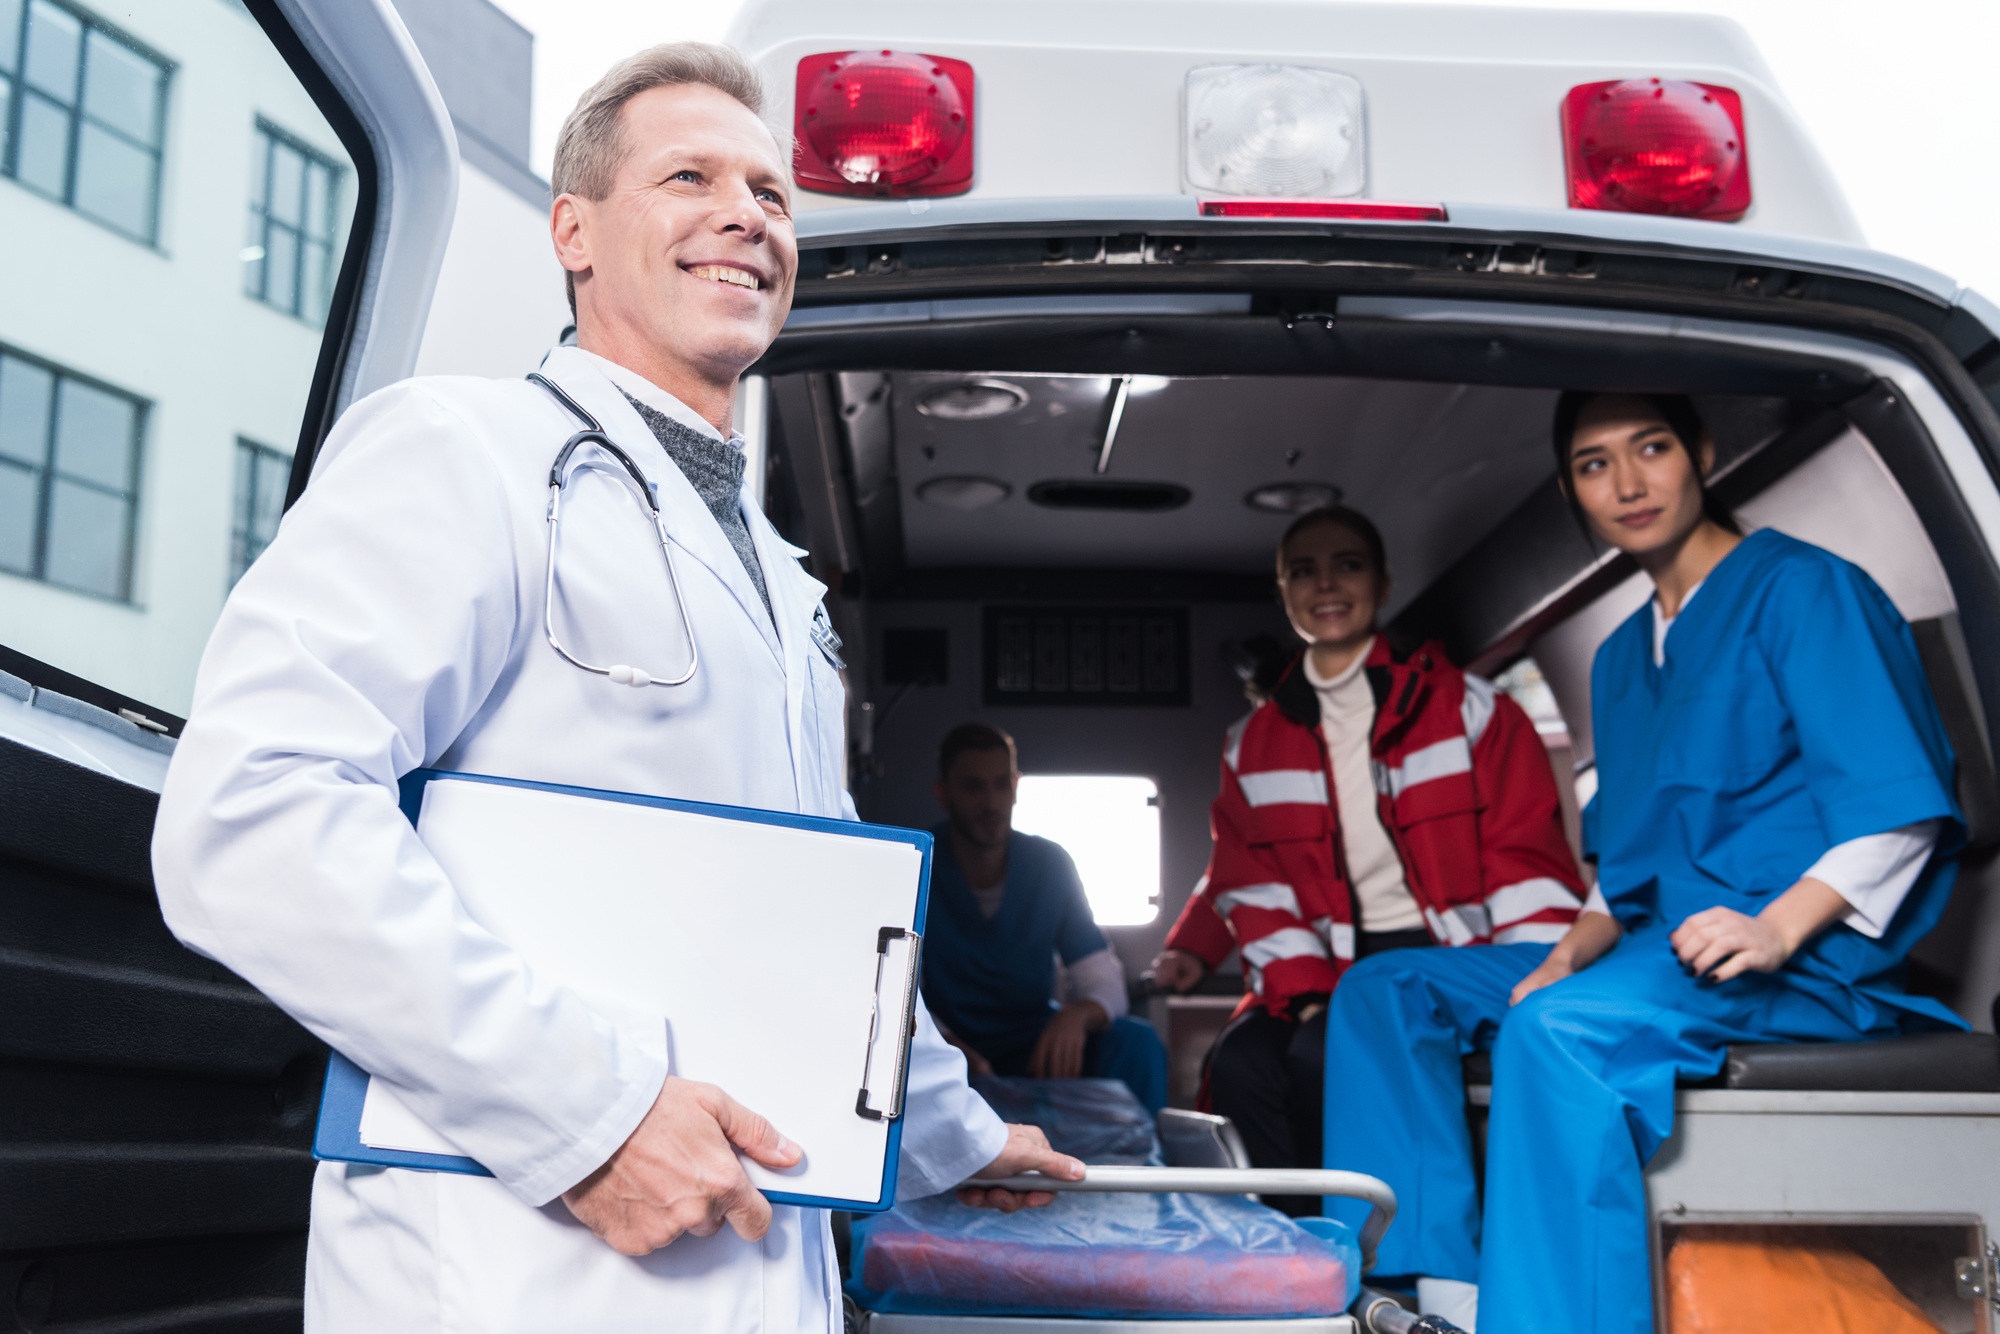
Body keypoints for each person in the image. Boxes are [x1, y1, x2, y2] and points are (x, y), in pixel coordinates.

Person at [149, 44, 1076, 1333]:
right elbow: (249, 816)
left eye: (771, 192)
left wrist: (949, 1135)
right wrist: (588, 1118)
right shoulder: (464, 452)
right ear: (572, 231)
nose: (745, 214)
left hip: (756, 1242)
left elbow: (826, 915)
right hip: (509, 1260)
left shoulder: (783, 584)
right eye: (688, 175)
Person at [1320, 392, 1965, 1334]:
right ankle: (1429, 1295)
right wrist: (1560, 959)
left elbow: (1896, 810)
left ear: (1699, 452)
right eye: (1593, 464)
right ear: (1570, 489)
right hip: (1658, 954)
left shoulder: (1806, 590)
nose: (1627, 483)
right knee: (1385, 990)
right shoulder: (1623, 658)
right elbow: (1622, 866)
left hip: (1801, 963)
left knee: (1560, 1035)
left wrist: (1776, 925)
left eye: (1651, 448)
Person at [1150, 505, 1585, 1221]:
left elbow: (1525, 859)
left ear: (1383, 584)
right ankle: (1289, 1260)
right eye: (1304, 571)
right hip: (1323, 967)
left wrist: (1532, 980)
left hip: (1455, 959)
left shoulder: (1475, 712)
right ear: (1283, 593)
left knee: (1330, 1058)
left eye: (1347, 565)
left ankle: (1374, 1262)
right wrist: (1309, 991)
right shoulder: (1249, 743)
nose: (1327, 584)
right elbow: (1250, 885)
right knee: (1241, 1064)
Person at [920, 723, 1170, 1114]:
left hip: (1035, 1044)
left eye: (1002, 785)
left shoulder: (1049, 864)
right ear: (943, 794)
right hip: (943, 1044)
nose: (991, 802)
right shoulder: (919, 863)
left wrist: (1075, 1015)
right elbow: (893, 983)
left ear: (1017, 786)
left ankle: (1142, 1166)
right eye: (973, 787)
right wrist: (947, 1043)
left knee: (1136, 1042)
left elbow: (1102, 979)